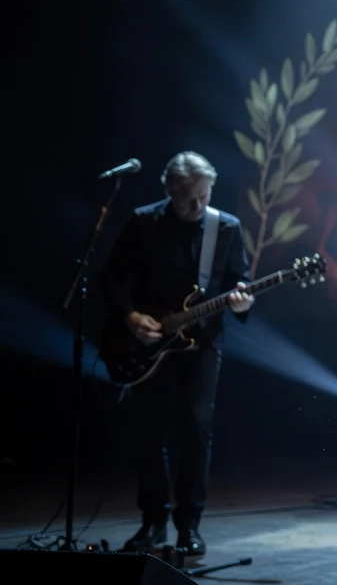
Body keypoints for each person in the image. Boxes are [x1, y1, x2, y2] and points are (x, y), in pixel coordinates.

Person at [99, 152, 253, 556]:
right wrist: (132, 317)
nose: (198, 207)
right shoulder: (144, 222)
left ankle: (189, 526)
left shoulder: (227, 228)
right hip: (146, 345)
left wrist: (241, 301)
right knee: (149, 432)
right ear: (169, 191)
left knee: (196, 429)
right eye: (188, 199)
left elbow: (242, 279)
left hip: (200, 345)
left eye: (204, 197)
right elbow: (111, 277)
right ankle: (153, 522)